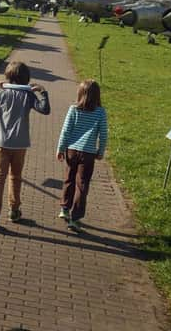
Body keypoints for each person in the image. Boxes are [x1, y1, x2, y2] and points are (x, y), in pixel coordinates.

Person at [0, 61, 50, 228]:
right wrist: (43, 92)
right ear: (26, 78)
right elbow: (44, 109)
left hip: (2, 143)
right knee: (15, 178)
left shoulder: (2, 93)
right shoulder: (29, 95)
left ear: (8, 77)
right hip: (20, 144)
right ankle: (13, 210)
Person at [56, 79, 108, 231]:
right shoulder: (100, 112)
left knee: (68, 179)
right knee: (82, 185)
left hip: (71, 150)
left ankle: (64, 208)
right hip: (88, 153)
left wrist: (60, 148)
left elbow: (66, 131)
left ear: (80, 93)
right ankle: (75, 218)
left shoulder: (73, 109)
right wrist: (100, 151)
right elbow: (103, 134)